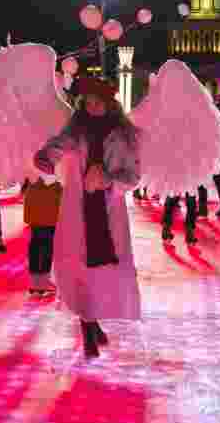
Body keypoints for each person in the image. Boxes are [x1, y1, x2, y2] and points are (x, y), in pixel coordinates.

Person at [34, 76, 141, 357]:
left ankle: (92, 321)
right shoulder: (77, 128)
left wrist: (108, 181)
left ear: (109, 103)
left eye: (98, 103)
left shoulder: (124, 135)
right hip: (77, 207)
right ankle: (87, 324)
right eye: (88, 103)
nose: (92, 108)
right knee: (78, 265)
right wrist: (46, 156)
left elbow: (132, 177)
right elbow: (60, 143)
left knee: (102, 268)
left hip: (108, 212)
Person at [23, 176, 62, 295]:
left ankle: (34, 281)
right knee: (47, 246)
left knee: (35, 244)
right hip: (50, 207)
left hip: (35, 206)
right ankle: (43, 281)